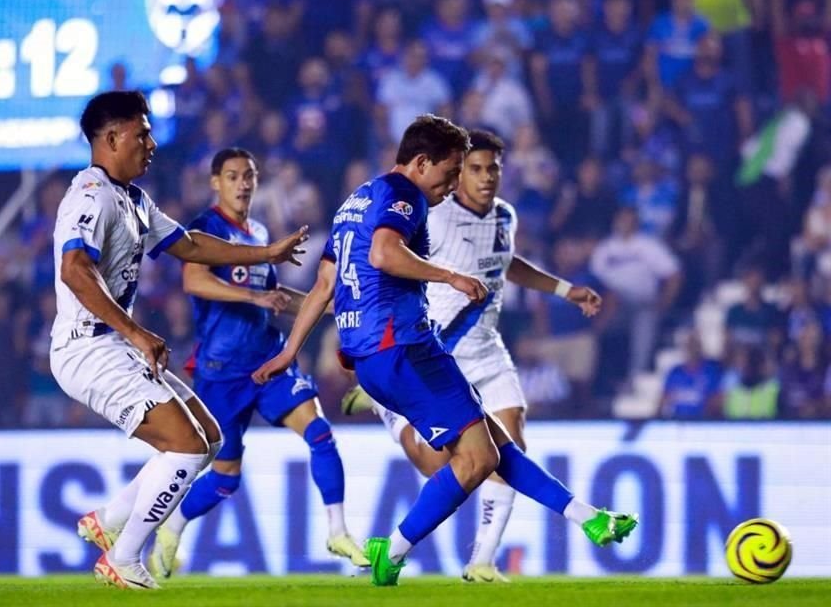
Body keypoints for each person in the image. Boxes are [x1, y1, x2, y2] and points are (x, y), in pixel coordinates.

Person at [253, 115, 638, 586]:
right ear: (420, 162)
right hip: (404, 350)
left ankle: (589, 518)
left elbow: (325, 283)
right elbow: (383, 254)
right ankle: (391, 550)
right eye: (451, 171)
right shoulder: (404, 195)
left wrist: (291, 350)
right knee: (477, 460)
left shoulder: (357, 200)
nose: (453, 183)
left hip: (381, 357)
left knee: (494, 446)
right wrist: (449, 276)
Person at [50, 91, 307, 590]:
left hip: (113, 342)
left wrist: (266, 252)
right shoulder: (89, 194)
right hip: (88, 347)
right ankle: (122, 558)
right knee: (187, 447)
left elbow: (190, 244)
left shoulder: (134, 199)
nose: (151, 144)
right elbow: (75, 270)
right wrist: (136, 331)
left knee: (208, 438)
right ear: (111, 138)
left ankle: (108, 521)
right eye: (141, 133)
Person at [339, 129, 607, 582]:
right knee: (445, 466)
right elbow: (381, 258)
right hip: (429, 345)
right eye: (475, 169)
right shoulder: (432, 215)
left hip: (486, 350)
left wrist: (565, 289)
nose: (486, 178)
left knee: (505, 445)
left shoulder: (505, 216)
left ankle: (482, 560)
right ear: (458, 173)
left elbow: (506, 262)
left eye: (493, 168)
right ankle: (387, 410)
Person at [147, 149, 367, 578]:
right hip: (221, 371)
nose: (243, 184)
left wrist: (325, 306)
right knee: (225, 478)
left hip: (269, 359)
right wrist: (254, 297)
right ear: (216, 182)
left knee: (320, 434)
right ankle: (171, 525)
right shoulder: (205, 228)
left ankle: (338, 530)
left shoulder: (260, 232)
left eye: (248, 176)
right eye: (232, 176)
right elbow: (194, 279)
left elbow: (276, 297)